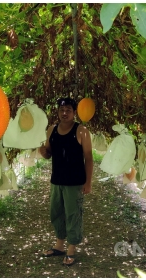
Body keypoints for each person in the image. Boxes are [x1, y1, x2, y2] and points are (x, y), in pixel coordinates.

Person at [38, 97, 93, 267]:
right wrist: (42, 151)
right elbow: (48, 153)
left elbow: (89, 158)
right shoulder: (52, 130)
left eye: (68, 110)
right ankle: (59, 246)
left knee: (73, 214)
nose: (64, 113)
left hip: (74, 182)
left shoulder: (81, 130)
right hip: (57, 181)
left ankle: (71, 249)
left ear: (74, 113)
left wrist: (88, 182)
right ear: (58, 112)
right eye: (62, 110)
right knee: (56, 213)